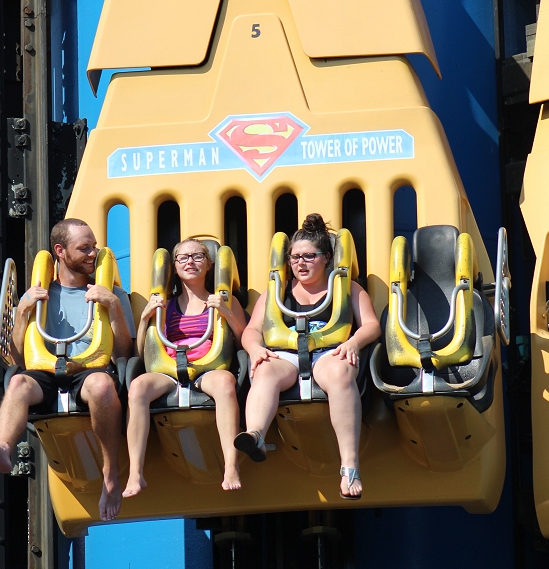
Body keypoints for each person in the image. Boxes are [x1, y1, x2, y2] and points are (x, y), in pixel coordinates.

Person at [0, 218, 135, 522]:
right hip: (45, 370)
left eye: (94, 247)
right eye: (83, 248)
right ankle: (4, 450)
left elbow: (125, 353)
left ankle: (110, 473)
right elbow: (19, 357)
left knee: (101, 387)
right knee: (19, 383)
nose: (92, 254)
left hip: (90, 369)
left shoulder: (113, 294)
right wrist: (22, 312)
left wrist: (112, 306)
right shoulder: (38, 295)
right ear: (60, 251)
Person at [236, 213, 381, 499]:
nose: (301, 263)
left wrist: (353, 342)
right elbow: (252, 330)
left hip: (330, 353)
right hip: (286, 355)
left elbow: (372, 325)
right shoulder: (276, 293)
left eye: (309, 256)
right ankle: (256, 435)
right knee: (264, 372)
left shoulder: (347, 288)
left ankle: (349, 466)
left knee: (340, 374)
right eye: (294, 257)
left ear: (327, 258)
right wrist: (255, 350)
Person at [123, 239, 247, 497]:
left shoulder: (226, 300)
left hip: (208, 366)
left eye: (198, 256)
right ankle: (136, 473)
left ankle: (231, 466)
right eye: (183, 258)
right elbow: (140, 353)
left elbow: (242, 340)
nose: (190, 262)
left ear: (209, 263)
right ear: (174, 267)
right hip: (169, 368)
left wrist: (227, 313)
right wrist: (145, 318)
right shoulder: (164, 306)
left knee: (225, 384)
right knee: (137, 388)